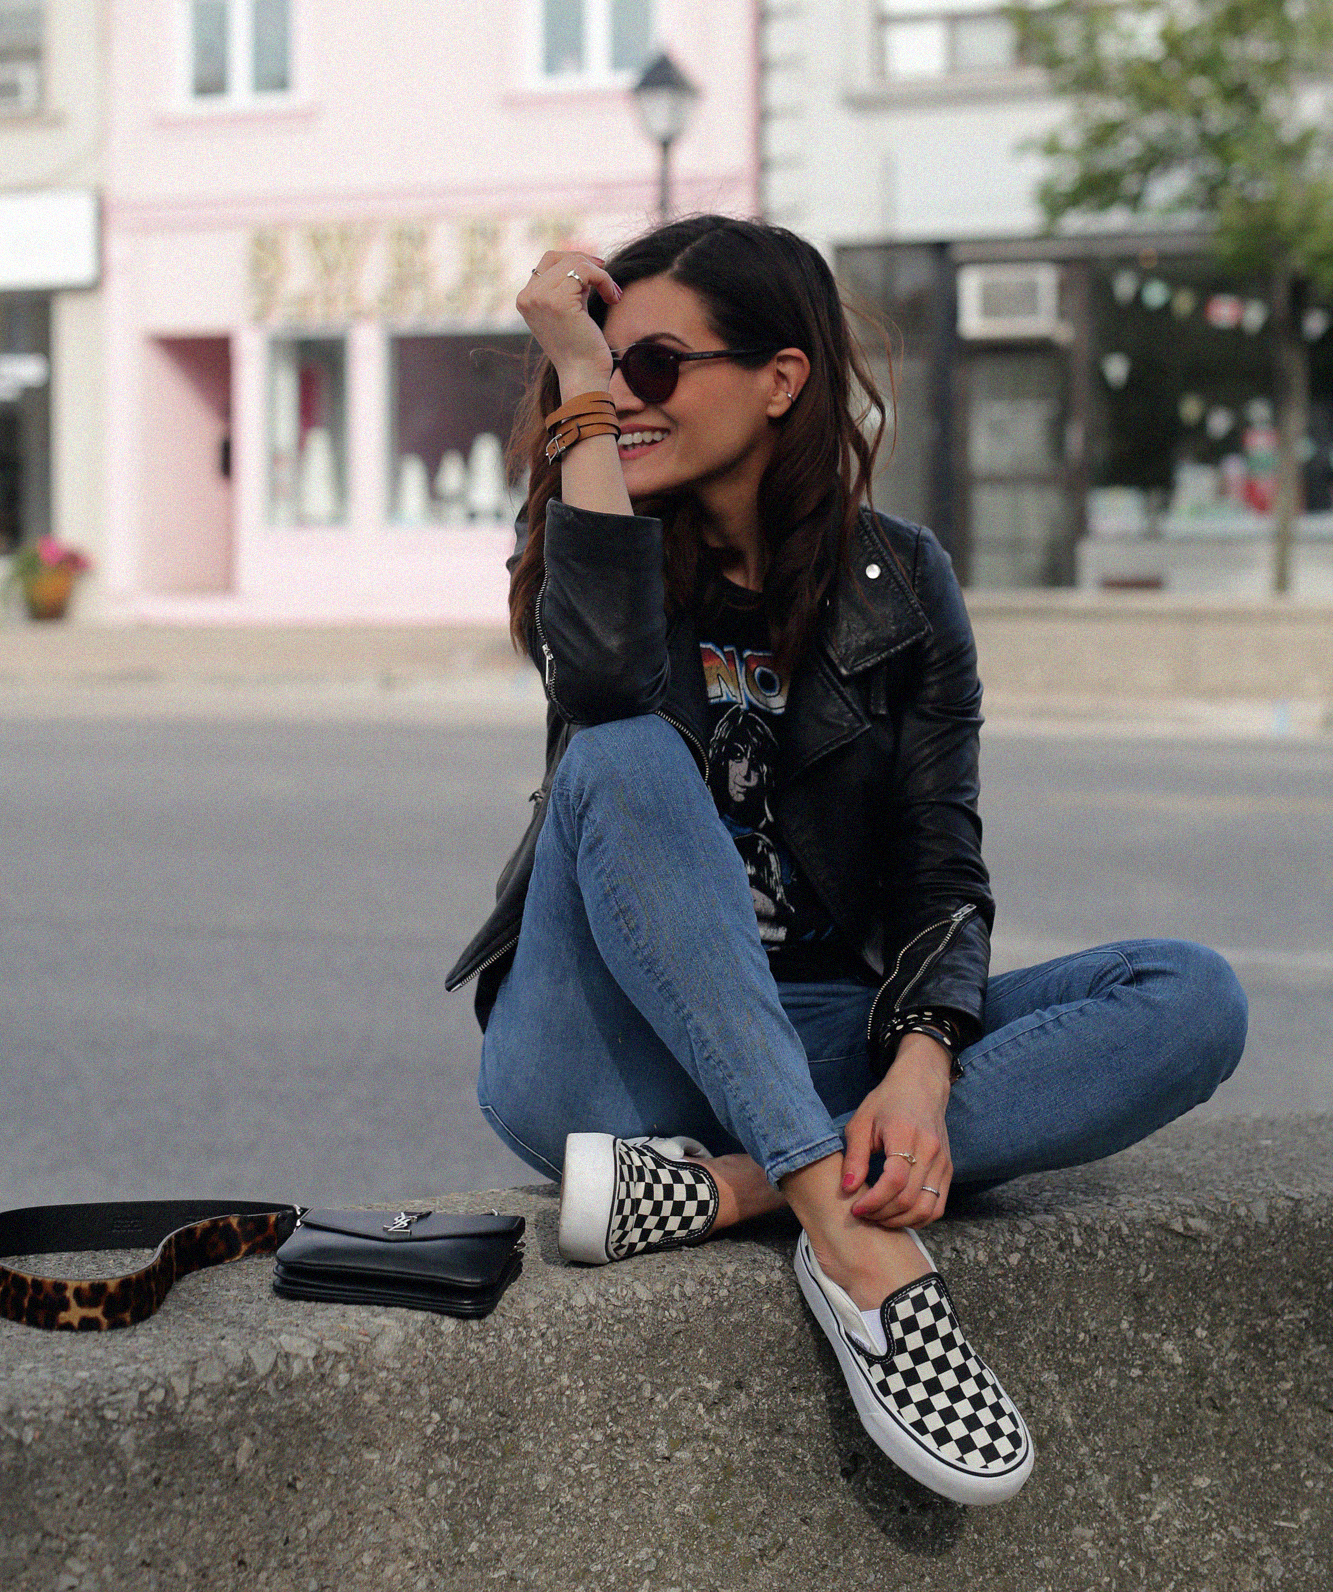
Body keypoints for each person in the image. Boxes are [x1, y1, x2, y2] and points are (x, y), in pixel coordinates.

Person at [445, 215, 1248, 1507]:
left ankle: (729, 1188)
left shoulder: (902, 579)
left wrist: (924, 1062)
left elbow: (941, 855)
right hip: (604, 1057)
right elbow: (598, 681)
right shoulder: (598, 540)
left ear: (778, 378)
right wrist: (584, 398)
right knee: (622, 756)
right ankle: (850, 1247)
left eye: (651, 366)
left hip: (820, 1032)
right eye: (593, 368)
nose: (617, 394)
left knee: (1188, 996)